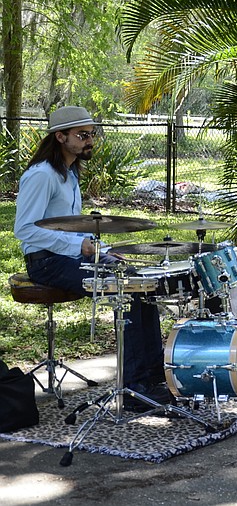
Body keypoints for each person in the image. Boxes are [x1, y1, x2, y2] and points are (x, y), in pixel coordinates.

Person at [13, 106, 172, 411]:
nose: (90, 141)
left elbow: (72, 228)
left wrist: (102, 249)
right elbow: (25, 229)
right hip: (46, 263)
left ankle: (152, 379)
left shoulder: (70, 173)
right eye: (82, 135)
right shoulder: (42, 175)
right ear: (60, 137)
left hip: (67, 256)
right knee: (126, 290)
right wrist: (80, 246)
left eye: (92, 134)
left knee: (141, 284)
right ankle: (135, 389)